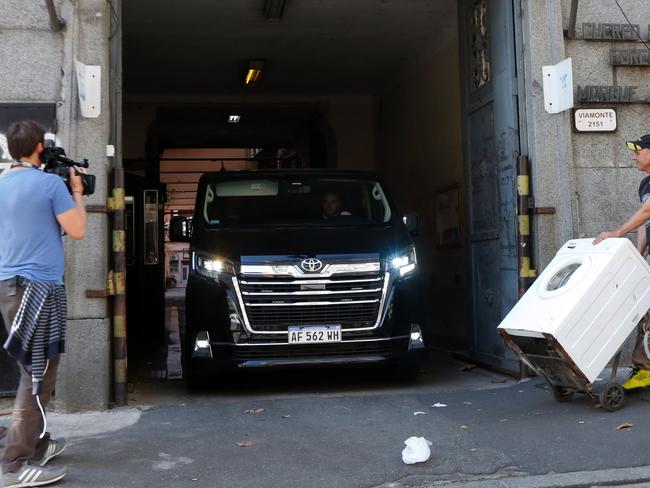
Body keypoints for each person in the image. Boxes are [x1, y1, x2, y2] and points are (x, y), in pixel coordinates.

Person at [0, 120, 87, 487]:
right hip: (37, 289)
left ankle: (34, 445)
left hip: (8, 287)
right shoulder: (51, 184)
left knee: (33, 369)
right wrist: (78, 191)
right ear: (39, 148)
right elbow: (79, 229)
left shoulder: (1, 185)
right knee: (36, 375)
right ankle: (15, 464)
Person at [593, 133, 650, 390]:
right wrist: (639, 256)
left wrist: (617, 233)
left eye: (638, 151)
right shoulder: (645, 185)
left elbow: (648, 211)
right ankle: (645, 368)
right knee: (645, 312)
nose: (634, 156)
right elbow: (645, 221)